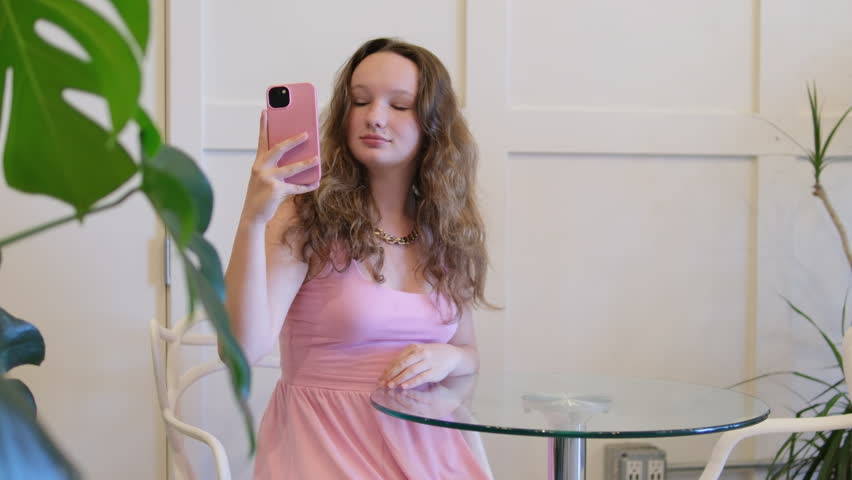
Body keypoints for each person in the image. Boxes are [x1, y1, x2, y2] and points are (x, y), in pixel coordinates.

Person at [224, 37, 493, 479]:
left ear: (433, 125)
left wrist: (449, 359)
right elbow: (242, 350)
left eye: (399, 105)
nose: (374, 117)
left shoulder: (445, 230)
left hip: (427, 452)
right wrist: (253, 220)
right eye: (360, 100)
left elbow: (469, 352)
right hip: (326, 450)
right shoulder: (306, 216)